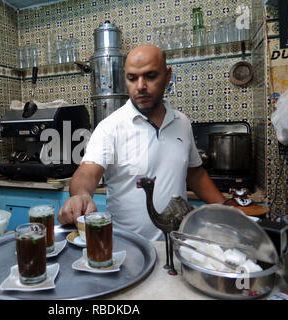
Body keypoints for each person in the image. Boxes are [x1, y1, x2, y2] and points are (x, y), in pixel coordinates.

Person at [57, 44, 225, 240]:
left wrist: (227, 209)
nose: (140, 86)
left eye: (150, 76)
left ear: (167, 75)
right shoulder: (111, 127)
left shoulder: (182, 123)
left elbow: (194, 173)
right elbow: (87, 173)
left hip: (177, 245)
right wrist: (81, 195)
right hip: (128, 248)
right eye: (132, 78)